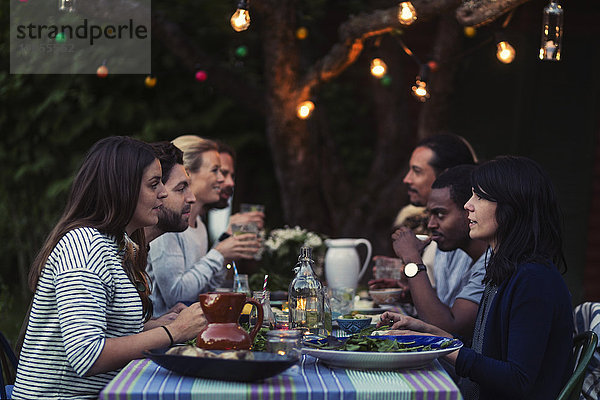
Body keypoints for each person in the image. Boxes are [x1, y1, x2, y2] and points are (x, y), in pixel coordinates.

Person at [12, 136, 206, 400]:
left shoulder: (115, 245)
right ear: (121, 188)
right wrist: (173, 332)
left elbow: (108, 330)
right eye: (153, 184)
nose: (163, 192)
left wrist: (161, 325)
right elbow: (87, 355)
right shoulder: (84, 247)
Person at [379, 156, 574, 400]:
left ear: (511, 207)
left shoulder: (533, 280)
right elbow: (485, 351)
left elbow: (518, 380)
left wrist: (436, 346)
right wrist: (427, 333)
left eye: (479, 197)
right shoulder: (506, 269)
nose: (468, 206)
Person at [147, 135, 260, 317]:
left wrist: (226, 248)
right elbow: (176, 296)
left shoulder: (199, 225)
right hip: (166, 339)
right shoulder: (169, 225)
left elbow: (205, 288)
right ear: (188, 172)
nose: (223, 180)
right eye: (215, 171)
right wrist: (219, 253)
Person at [373, 165, 487, 340]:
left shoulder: (490, 263)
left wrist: (412, 259)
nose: (431, 225)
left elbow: (448, 328)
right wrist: (413, 296)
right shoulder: (465, 255)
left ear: (469, 210)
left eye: (440, 214)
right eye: (430, 215)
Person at [206, 140, 265, 242]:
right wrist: (228, 235)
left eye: (232, 176)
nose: (231, 183)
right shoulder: (177, 226)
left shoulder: (197, 225)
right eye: (222, 173)